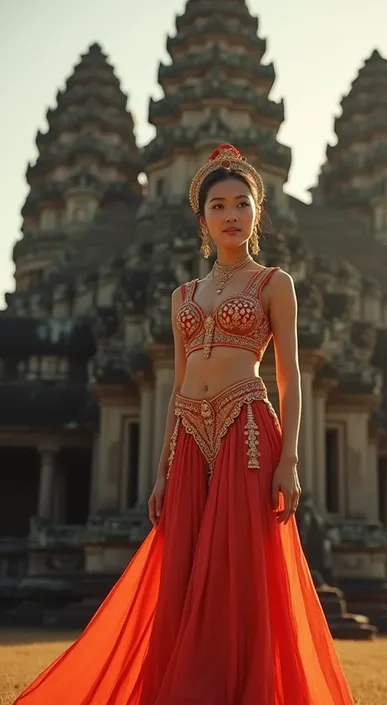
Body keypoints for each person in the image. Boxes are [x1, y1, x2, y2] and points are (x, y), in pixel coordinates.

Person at [13, 144, 354, 705]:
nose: (231, 215)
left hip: (246, 427)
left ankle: (238, 689)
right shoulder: (182, 296)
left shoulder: (275, 283)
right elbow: (177, 385)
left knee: (238, 569)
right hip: (192, 434)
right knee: (181, 571)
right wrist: (161, 470)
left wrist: (289, 460)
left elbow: (289, 375)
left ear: (257, 212)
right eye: (218, 205)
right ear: (202, 217)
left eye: (242, 204)